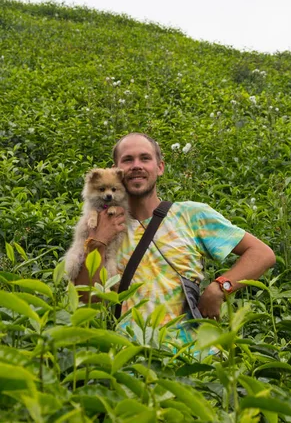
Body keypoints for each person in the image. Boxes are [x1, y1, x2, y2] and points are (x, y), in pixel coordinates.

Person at [73, 132, 276, 342]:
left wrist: (220, 288)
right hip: (131, 360)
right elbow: (86, 301)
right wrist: (99, 241)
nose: (136, 165)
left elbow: (262, 254)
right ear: (117, 172)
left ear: (160, 167)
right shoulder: (100, 224)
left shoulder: (192, 215)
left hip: (196, 360)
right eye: (127, 160)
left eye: (145, 158)